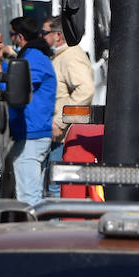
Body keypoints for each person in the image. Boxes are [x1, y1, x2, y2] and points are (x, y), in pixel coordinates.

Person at [3, 17, 56, 205]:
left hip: (32, 135)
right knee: (33, 194)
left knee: (28, 198)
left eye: (11, 35)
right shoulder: (34, 55)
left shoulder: (33, 57)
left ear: (20, 36)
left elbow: (20, 85)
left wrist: (0, 70)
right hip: (34, 132)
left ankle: (33, 232)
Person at [41, 17, 94, 193]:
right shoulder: (62, 56)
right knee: (50, 188)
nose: (42, 37)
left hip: (63, 138)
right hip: (57, 136)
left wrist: (60, 122)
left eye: (45, 33)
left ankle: (55, 221)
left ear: (58, 36)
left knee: (55, 190)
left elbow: (86, 90)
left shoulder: (71, 57)